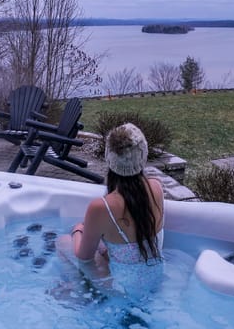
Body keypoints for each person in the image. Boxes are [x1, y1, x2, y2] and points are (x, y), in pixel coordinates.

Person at [66, 123, 164, 293]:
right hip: (155, 280)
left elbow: (84, 257)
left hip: (122, 290)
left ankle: (80, 292)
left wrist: (77, 231)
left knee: (63, 243)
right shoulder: (156, 187)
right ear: (143, 156)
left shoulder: (101, 207)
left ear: (109, 159)